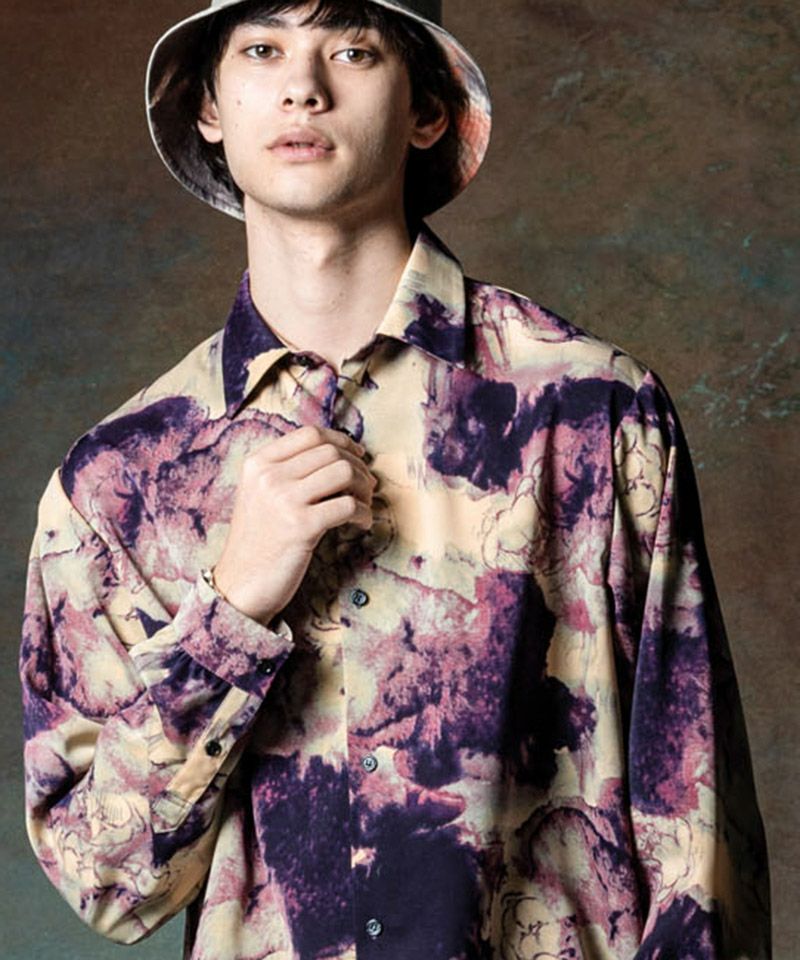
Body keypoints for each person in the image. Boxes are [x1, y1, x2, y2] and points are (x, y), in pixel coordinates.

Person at [20, 0, 771, 957]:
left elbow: (697, 845)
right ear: (209, 107)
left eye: (352, 50)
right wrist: (231, 611)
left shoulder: (592, 412)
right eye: (262, 49)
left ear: (426, 111)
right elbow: (107, 885)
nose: (303, 87)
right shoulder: (119, 480)